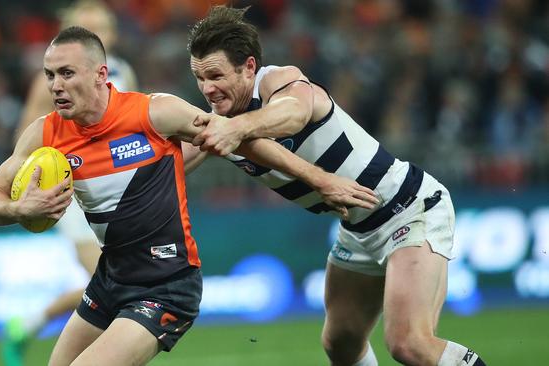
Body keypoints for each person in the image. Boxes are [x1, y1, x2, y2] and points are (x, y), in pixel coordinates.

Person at [0, 26, 378, 366]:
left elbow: (235, 137)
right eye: (49, 75)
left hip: (166, 285)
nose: (55, 85)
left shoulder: (153, 113)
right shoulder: (44, 134)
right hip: (109, 281)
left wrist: (320, 179)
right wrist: (18, 207)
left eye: (66, 73)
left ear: (101, 74)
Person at [185, 6, 486, 366]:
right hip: (357, 229)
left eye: (215, 75)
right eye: (199, 78)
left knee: (409, 344)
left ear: (248, 66)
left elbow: (293, 113)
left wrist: (234, 128)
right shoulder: (218, 123)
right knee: (340, 342)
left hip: (408, 206)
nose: (208, 89)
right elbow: (172, 162)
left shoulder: (280, 81)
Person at [3, 2, 138, 365]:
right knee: (108, 279)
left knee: (115, 280)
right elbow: (28, 136)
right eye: (87, 26)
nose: (97, 33)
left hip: (117, 193)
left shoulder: (124, 72)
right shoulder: (53, 80)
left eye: (102, 27)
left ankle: (28, 325)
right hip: (74, 193)